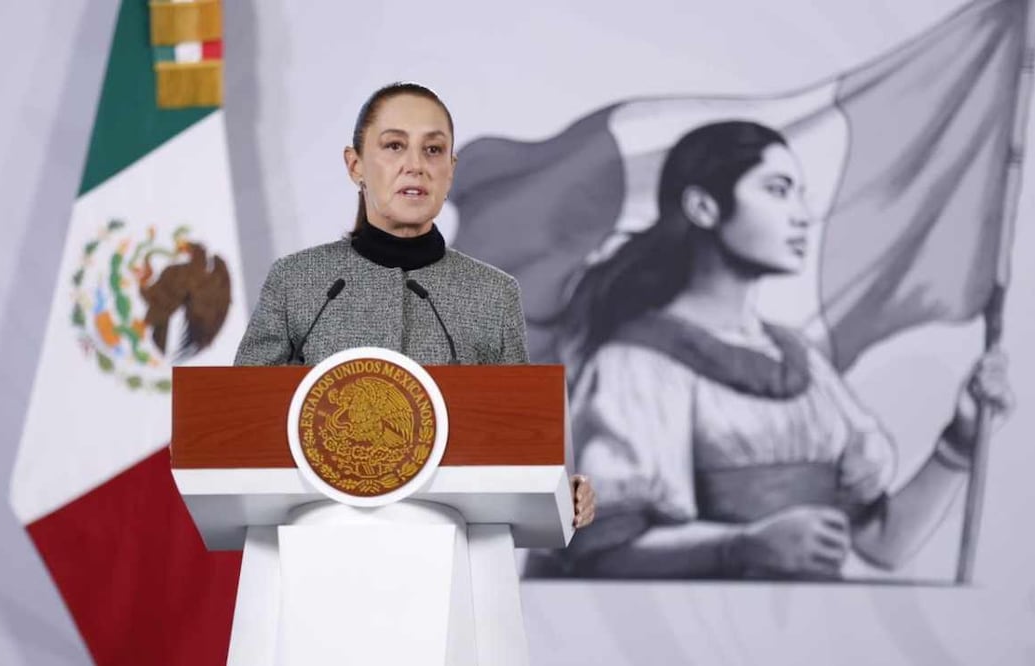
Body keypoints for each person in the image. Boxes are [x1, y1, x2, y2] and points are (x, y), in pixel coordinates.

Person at [535, 120, 1010, 578]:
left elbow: (883, 544)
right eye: (778, 190)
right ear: (704, 207)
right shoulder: (637, 363)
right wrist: (742, 546)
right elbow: (602, 550)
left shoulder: (800, 361)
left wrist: (961, 439)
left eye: (799, 194)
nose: (801, 214)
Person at [234, 82, 596, 527]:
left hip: (451, 550)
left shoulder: (493, 294)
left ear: (450, 170)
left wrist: (565, 487)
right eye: (393, 146)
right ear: (355, 165)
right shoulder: (298, 282)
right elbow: (237, 424)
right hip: (320, 544)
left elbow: (521, 441)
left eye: (433, 150)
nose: (415, 166)